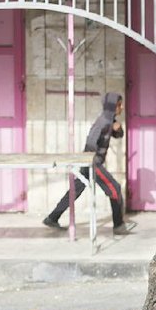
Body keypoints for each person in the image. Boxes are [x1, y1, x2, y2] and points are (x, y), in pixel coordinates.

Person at [43, 92, 133, 235]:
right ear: (111, 106)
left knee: (74, 191)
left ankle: (52, 217)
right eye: (119, 105)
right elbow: (91, 141)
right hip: (93, 163)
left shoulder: (109, 121)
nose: (121, 107)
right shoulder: (103, 121)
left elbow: (118, 135)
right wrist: (92, 161)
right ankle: (118, 226)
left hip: (90, 163)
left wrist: (118, 127)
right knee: (114, 189)